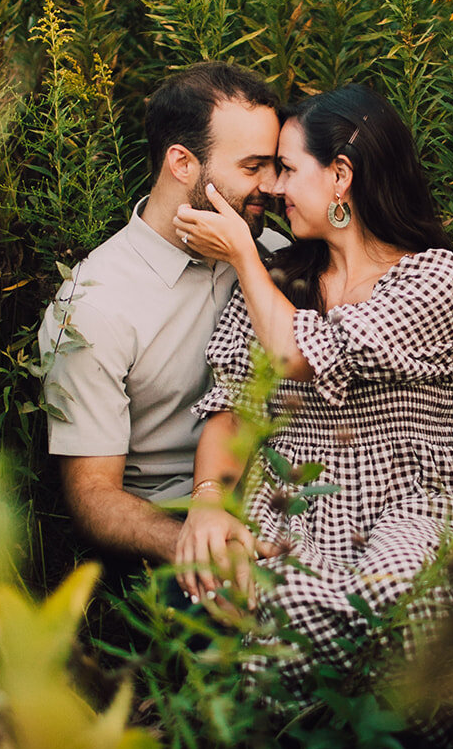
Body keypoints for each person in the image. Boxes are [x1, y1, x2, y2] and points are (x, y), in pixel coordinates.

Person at [172, 84, 453, 695]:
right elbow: (233, 408)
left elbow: (296, 355)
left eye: (289, 169)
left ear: (341, 176)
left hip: (410, 497)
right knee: (287, 606)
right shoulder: (281, 281)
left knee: (398, 592)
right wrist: (208, 497)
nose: (273, 188)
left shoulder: (435, 277)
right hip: (296, 506)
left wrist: (244, 259)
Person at [38, 62, 288, 573]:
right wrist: (197, 545)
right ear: (182, 163)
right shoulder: (94, 303)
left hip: (297, 498)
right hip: (177, 529)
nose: (274, 185)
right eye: (252, 167)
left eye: (276, 166)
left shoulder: (276, 253)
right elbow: (92, 496)